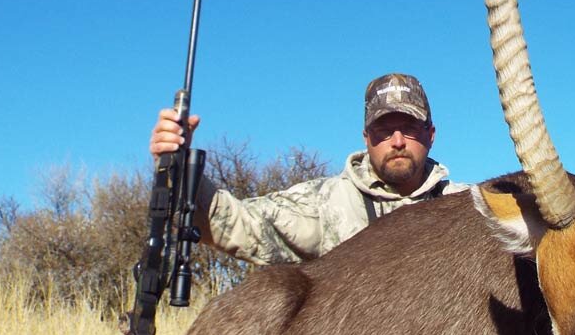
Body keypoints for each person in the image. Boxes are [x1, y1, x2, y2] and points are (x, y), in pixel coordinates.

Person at [149, 72, 469, 265]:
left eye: (410, 128)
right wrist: (177, 166)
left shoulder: (469, 209)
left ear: (431, 135)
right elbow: (235, 225)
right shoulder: (325, 203)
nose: (397, 141)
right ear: (367, 137)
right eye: (384, 130)